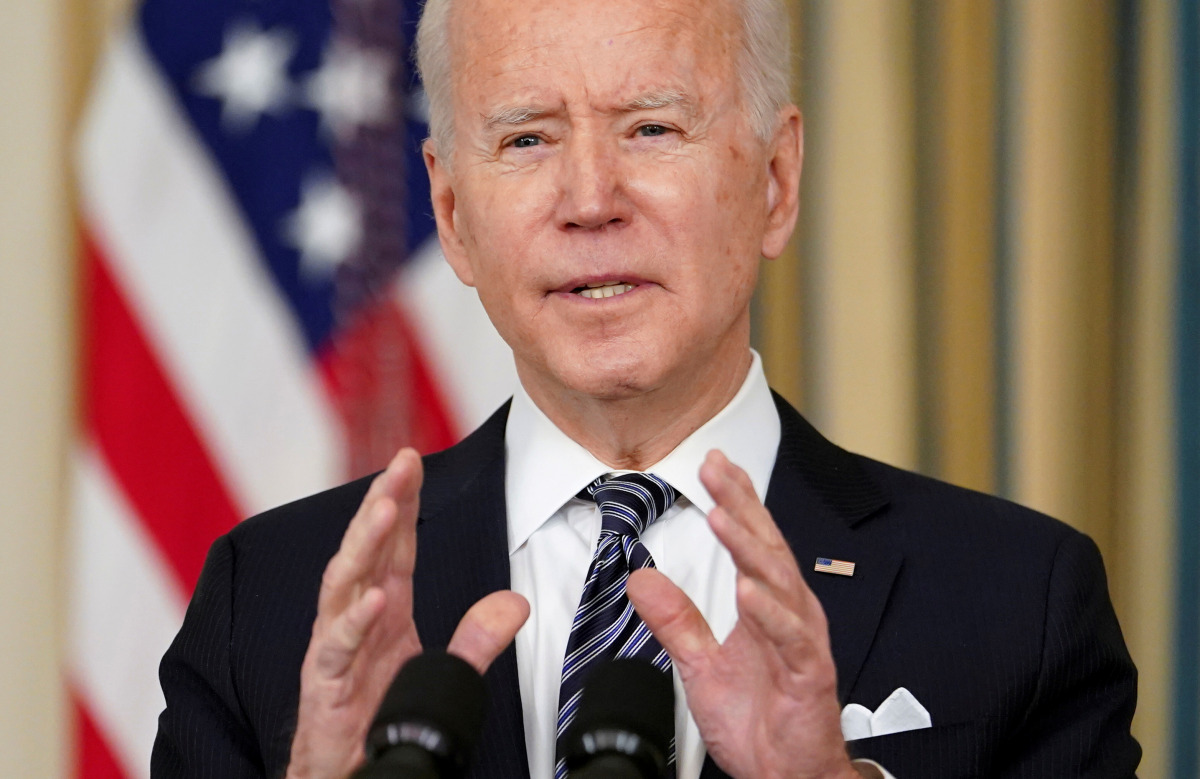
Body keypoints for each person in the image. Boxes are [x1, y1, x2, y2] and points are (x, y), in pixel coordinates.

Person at [152, 0, 1140, 775]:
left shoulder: (1018, 600)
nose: (590, 200)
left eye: (653, 128)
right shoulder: (271, 603)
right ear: (451, 212)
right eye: (529, 138)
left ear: (776, 181)